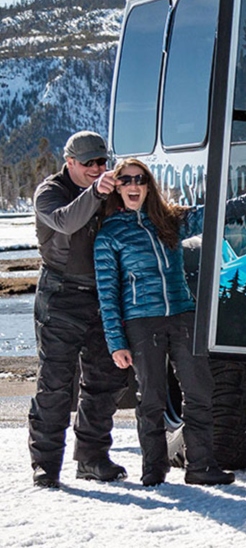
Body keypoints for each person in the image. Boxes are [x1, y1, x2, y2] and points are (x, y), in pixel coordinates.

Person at [93, 157, 246, 486]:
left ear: (149, 185)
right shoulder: (110, 234)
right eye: (126, 181)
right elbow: (107, 294)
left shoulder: (170, 220)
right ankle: (153, 470)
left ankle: (201, 467)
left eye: (140, 179)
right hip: (141, 322)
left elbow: (221, 211)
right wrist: (116, 342)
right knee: (151, 399)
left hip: (181, 316)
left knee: (200, 392)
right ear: (116, 188)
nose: (134, 186)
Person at [28, 130, 130, 489]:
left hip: (103, 296)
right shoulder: (49, 192)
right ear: (69, 162)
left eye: (102, 161)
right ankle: (45, 464)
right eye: (89, 163)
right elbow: (67, 221)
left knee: (106, 380)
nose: (98, 168)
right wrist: (96, 192)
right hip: (60, 295)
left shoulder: (108, 186)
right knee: (55, 383)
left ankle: (91, 457)